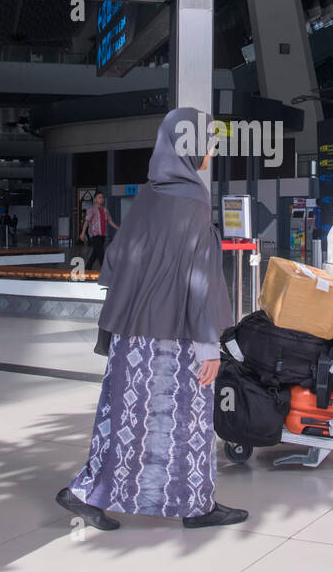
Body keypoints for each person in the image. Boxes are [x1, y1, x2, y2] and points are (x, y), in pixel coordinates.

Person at [57, 107, 247, 530]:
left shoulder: (150, 194)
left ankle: (86, 494)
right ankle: (195, 505)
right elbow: (199, 276)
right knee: (187, 421)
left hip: (133, 336)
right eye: (208, 142)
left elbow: (120, 261)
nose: (212, 149)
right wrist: (208, 345)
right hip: (174, 337)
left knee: (125, 418)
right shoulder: (193, 199)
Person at [79, 190, 120, 270]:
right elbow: (86, 221)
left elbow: (110, 221)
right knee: (101, 254)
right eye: (99, 197)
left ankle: (87, 269)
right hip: (95, 235)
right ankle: (106, 272)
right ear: (95, 199)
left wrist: (118, 228)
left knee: (95, 254)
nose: (101, 199)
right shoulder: (92, 209)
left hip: (102, 235)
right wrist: (82, 233)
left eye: (102, 198)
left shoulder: (105, 210)